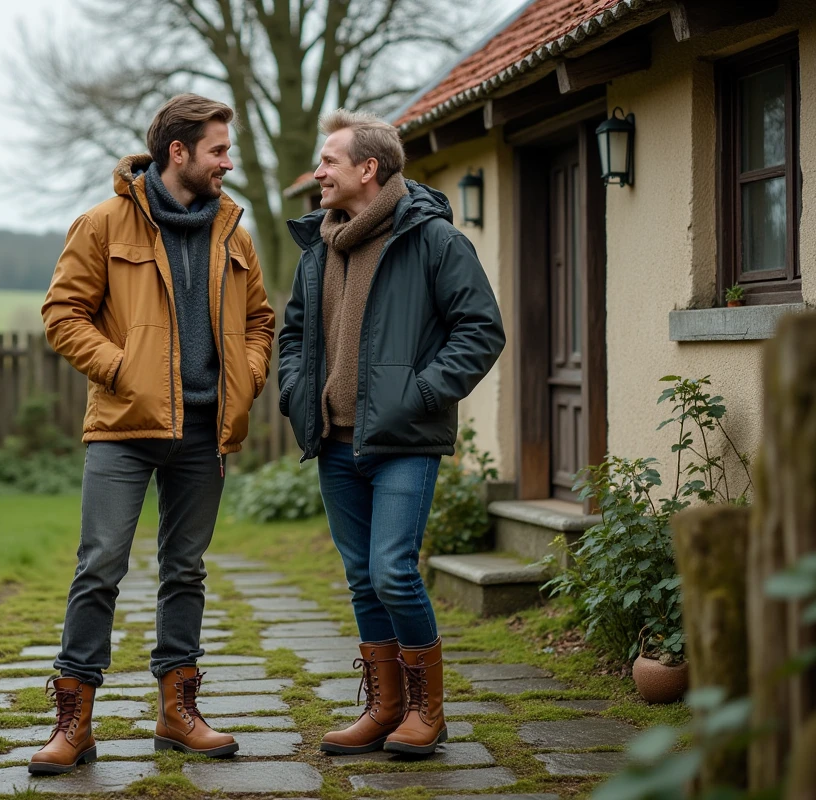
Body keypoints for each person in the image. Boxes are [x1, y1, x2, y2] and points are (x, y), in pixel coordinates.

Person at [31, 94, 276, 775]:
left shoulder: (234, 232)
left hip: (204, 430)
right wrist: (121, 370)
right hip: (123, 427)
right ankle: (74, 723)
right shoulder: (103, 224)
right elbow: (62, 314)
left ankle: (177, 712)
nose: (228, 163)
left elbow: (260, 321)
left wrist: (248, 377)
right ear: (179, 152)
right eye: (219, 151)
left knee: (185, 570)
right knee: (100, 565)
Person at [277, 109, 504, 757]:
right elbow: (294, 336)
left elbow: (480, 330)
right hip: (334, 442)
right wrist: (297, 392)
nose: (318, 172)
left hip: (404, 440)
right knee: (361, 577)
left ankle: (428, 710)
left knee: (393, 572)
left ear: (368, 168)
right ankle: (384, 708)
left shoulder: (434, 240)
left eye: (328, 161)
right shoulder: (320, 248)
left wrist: (421, 395)